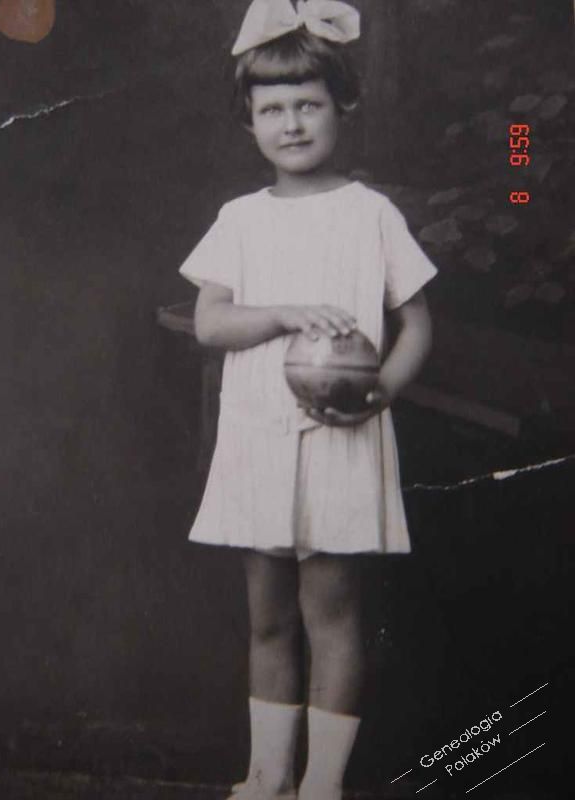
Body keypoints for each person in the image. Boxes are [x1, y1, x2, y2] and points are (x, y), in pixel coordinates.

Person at [178, 2, 437, 798]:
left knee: (332, 615)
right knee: (267, 618)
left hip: (340, 438)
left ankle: (321, 785)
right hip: (259, 438)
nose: (290, 124)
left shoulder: (371, 215)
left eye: (307, 104)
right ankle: (267, 778)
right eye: (272, 109)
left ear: (341, 106)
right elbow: (210, 323)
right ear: (248, 120)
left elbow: (417, 324)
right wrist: (285, 313)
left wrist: (380, 392)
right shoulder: (240, 220)